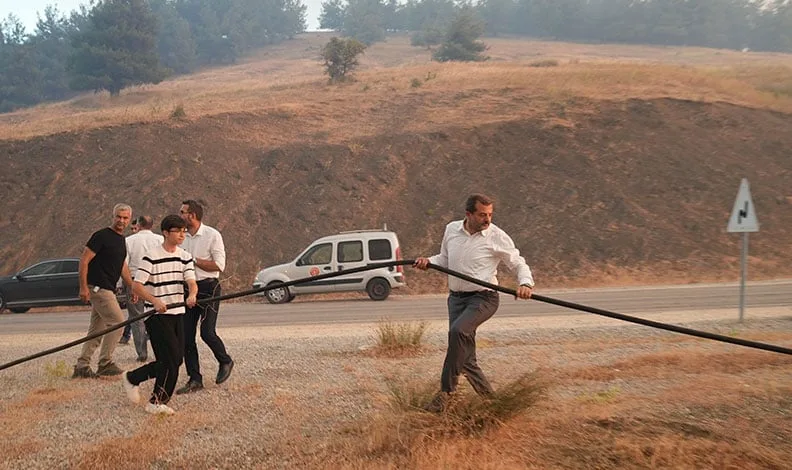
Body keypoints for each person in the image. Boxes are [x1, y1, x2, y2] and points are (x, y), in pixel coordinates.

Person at [413, 194, 534, 412]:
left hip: (483, 298)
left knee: (458, 332)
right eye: (482, 215)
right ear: (468, 214)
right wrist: (428, 262)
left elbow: (517, 263)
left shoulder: (496, 236)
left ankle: (445, 395)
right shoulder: (451, 230)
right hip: (456, 300)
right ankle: (493, 404)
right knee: (465, 358)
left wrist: (525, 283)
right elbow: (445, 259)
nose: (487, 219)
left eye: (490, 215)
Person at [122, 215, 198, 415]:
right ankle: (156, 402)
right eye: (177, 231)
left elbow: (191, 281)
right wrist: (154, 300)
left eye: (184, 231)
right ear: (165, 232)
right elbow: (137, 286)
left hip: (177, 313)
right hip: (156, 315)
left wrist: (192, 294)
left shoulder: (185, 256)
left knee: (175, 360)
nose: (182, 235)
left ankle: (133, 378)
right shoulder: (151, 256)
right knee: (171, 360)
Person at [175, 199, 234, 394]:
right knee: (186, 336)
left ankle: (225, 360)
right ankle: (194, 379)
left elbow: (219, 265)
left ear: (192, 215)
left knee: (207, 332)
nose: (180, 215)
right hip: (187, 288)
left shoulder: (212, 235)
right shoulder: (181, 236)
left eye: (182, 212)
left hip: (209, 287)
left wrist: (192, 260)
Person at [72, 203, 137, 378]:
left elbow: (122, 266)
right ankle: (105, 363)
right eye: (118, 217)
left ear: (129, 219)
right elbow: (84, 260)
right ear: (112, 216)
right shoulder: (101, 236)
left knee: (96, 331)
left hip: (108, 287)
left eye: (125, 218)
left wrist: (132, 287)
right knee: (118, 323)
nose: (121, 220)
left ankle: (82, 366)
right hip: (98, 288)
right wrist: (83, 287)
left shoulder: (121, 240)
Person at [121, 215, 163, 361]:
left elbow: (124, 265)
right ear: (152, 225)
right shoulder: (160, 240)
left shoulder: (128, 241)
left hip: (135, 280)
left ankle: (142, 353)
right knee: (158, 314)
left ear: (138, 225)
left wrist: (128, 286)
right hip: (156, 280)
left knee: (136, 317)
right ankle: (161, 350)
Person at [120, 218, 140, 345]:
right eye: (132, 229)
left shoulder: (128, 241)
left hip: (138, 279)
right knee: (134, 311)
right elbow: (123, 265)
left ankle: (127, 334)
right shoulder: (129, 241)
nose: (133, 231)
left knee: (135, 312)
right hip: (132, 279)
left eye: (135, 228)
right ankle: (126, 334)